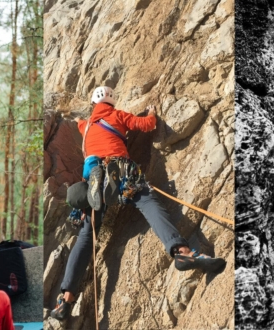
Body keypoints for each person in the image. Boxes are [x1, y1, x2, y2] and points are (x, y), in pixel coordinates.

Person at [49, 86, 226, 320]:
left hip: (92, 174)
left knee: (86, 235)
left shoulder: (87, 126)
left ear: (94, 104)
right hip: (119, 168)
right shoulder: (117, 115)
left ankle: (66, 299)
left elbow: (79, 123)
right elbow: (147, 125)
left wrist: (81, 119)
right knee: (146, 200)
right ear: (112, 103)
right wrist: (151, 113)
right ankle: (182, 252)